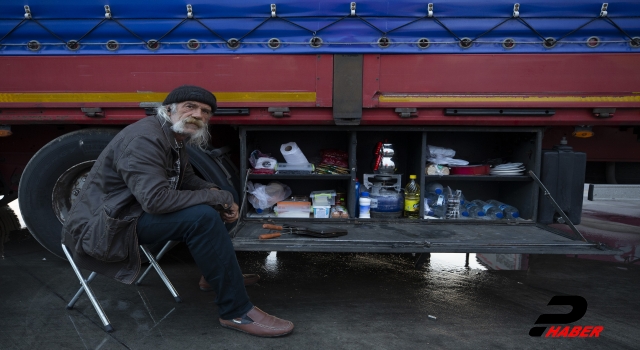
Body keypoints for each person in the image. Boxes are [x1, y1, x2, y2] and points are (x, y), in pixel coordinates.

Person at [62, 85, 293, 337]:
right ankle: (236, 312)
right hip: (108, 225)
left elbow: (187, 180)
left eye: (205, 111)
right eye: (190, 107)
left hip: (131, 212)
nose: (198, 114)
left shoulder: (173, 136)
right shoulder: (145, 140)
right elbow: (156, 201)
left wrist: (221, 196)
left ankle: (213, 275)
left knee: (222, 199)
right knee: (202, 218)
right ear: (169, 109)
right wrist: (216, 197)